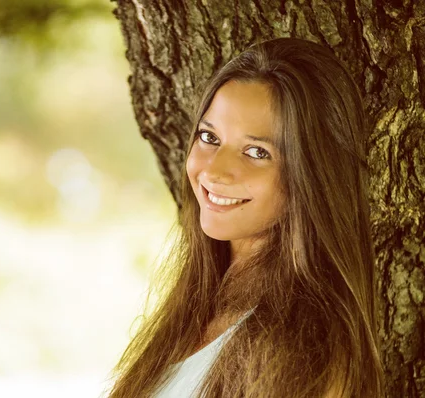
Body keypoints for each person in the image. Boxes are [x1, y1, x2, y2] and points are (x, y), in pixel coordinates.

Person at [105, 37, 383, 398]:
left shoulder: (303, 348)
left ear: (313, 174)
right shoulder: (199, 305)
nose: (216, 171)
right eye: (209, 136)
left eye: (256, 151)